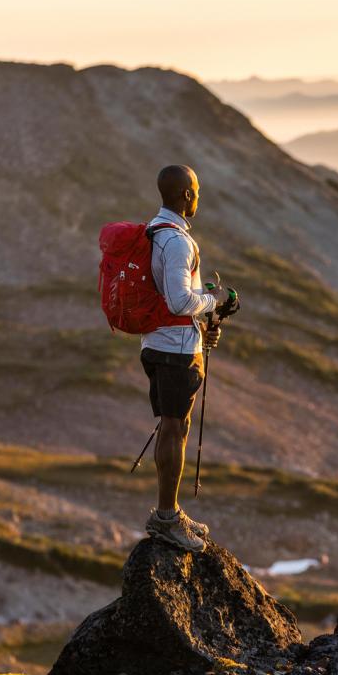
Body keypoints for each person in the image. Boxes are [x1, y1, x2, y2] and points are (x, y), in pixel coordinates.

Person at [141, 164, 227, 552]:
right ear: (185, 196)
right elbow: (179, 300)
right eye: (196, 190)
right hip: (176, 349)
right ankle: (166, 518)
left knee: (173, 426)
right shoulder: (177, 242)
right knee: (175, 429)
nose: (198, 196)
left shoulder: (153, 232)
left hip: (157, 342)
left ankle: (170, 509)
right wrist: (213, 301)